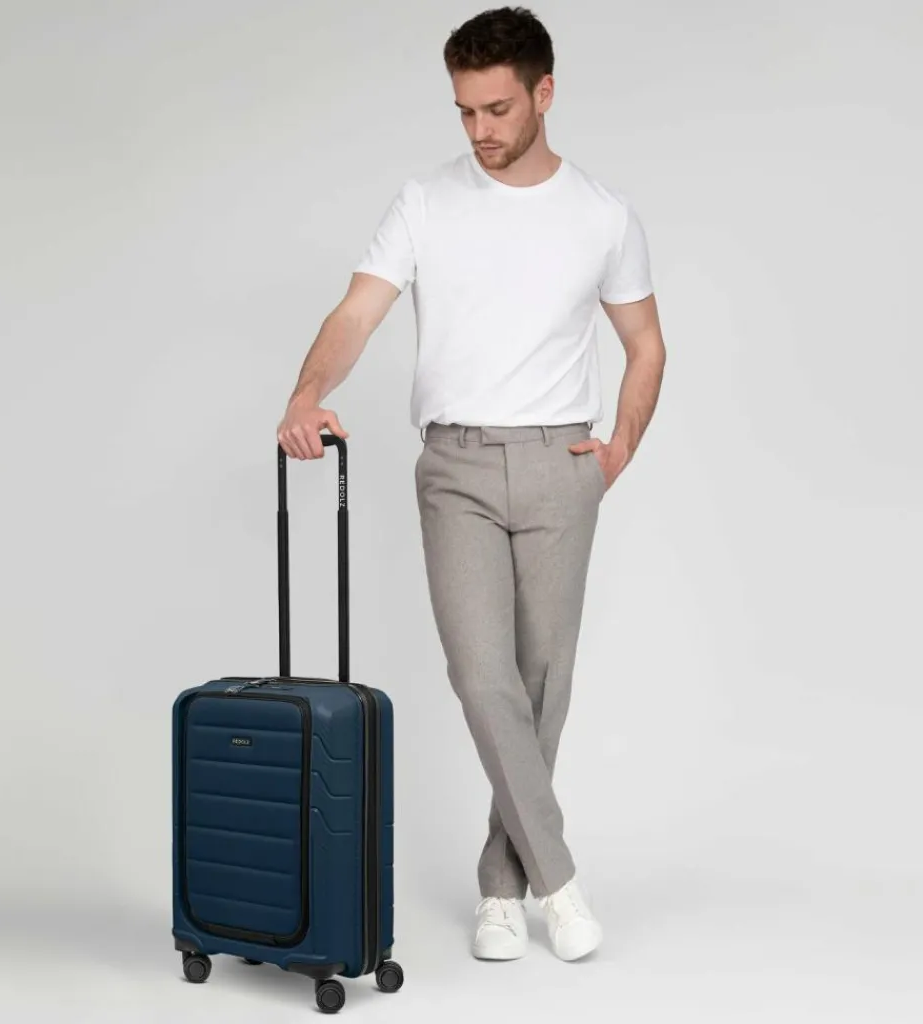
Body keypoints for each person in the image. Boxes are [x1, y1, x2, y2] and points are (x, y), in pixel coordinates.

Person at [276, 6, 666, 962]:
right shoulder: (425, 201)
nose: (480, 130)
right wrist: (307, 391)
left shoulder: (603, 214)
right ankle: (560, 882)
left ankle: (501, 888)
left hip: (561, 462)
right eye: (464, 111)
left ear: (544, 93)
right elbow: (357, 312)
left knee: (542, 684)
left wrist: (618, 448)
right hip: (455, 465)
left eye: (497, 109)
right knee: (481, 674)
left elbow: (645, 342)